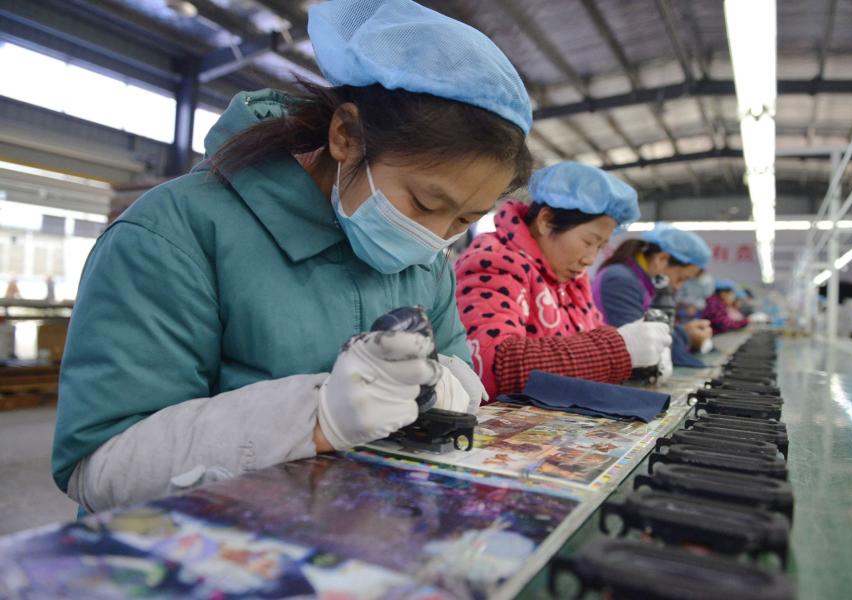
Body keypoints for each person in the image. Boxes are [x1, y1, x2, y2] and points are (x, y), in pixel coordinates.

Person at [52, 0, 533, 513]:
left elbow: (458, 369)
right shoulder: (173, 232)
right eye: (424, 202)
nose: (433, 238)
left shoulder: (430, 263)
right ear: (346, 136)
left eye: (463, 220)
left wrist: (443, 389)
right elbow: (98, 467)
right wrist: (315, 416)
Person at [455, 161, 672, 398]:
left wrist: (639, 361)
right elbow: (494, 365)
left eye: (600, 247)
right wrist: (618, 350)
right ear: (546, 221)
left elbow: (589, 341)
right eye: (589, 242)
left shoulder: (573, 280)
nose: (590, 259)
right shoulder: (494, 262)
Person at [592, 224, 714, 364]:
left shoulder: (642, 282)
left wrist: (682, 331)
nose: (678, 287)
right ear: (661, 258)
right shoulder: (620, 280)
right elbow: (642, 343)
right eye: (681, 278)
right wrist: (687, 336)